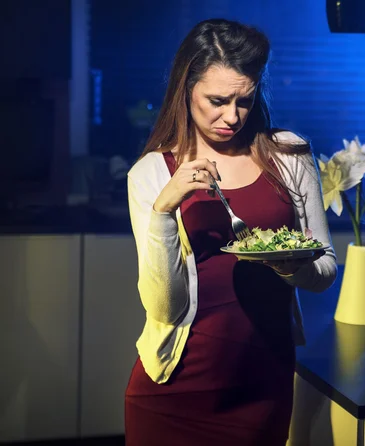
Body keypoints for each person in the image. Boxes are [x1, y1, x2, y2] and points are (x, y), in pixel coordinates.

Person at [124, 18, 337, 446]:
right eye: (217, 100)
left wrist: (292, 268)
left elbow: (326, 269)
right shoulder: (151, 174)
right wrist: (165, 209)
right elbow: (165, 308)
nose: (232, 116)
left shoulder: (289, 154)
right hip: (176, 388)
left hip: (264, 380)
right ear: (186, 89)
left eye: (244, 99)